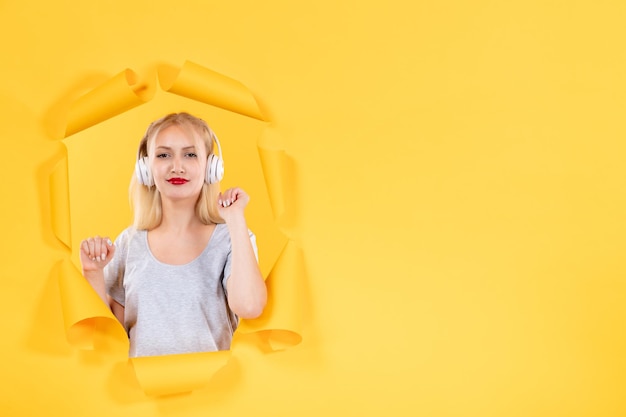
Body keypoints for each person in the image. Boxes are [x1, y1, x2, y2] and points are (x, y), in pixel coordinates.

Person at [79, 112, 267, 357]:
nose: (176, 166)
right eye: (163, 155)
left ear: (211, 167)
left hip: (215, 392)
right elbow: (109, 333)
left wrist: (236, 220)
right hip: (142, 392)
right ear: (146, 168)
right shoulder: (129, 242)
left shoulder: (231, 238)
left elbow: (250, 306)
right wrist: (93, 273)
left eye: (190, 154)